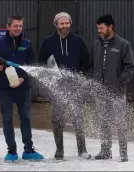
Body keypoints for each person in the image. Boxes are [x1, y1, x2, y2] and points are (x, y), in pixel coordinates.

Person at [0, 15, 44, 162]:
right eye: (15, 26)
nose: (18, 29)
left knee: (26, 118)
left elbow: (33, 66)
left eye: (20, 26)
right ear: (8, 26)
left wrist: (23, 79)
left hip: (23, 87)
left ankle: (28, 150)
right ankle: (11, 152)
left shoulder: (27, 44)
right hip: (5, 88)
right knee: (7, 119)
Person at [38, 12, 91, 160]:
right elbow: (41, 62)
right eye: (61, 23)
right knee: (57, 118)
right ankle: (59, 149)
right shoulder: (48, 42)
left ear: (70, 24)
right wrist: (50, 77)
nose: (64, 26)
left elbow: (86, 63)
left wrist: (80, 76)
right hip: (57, 87)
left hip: (75, 87)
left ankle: (82, 149)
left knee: (78, 118)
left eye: (67, 23)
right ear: (56, 24)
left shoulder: (78, 41)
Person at [90, 14, 134, 162]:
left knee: (120, 123)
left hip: (116, 92)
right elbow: (93, 66)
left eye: (102, 28)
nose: (99, 31)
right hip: (100, 91)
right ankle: (105, 151)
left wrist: (119, 82)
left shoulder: (123, 44)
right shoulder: (96, 44)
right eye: (98, 28)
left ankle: (123, 153)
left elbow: (130, 67)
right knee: (104, 122)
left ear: (111, 27)